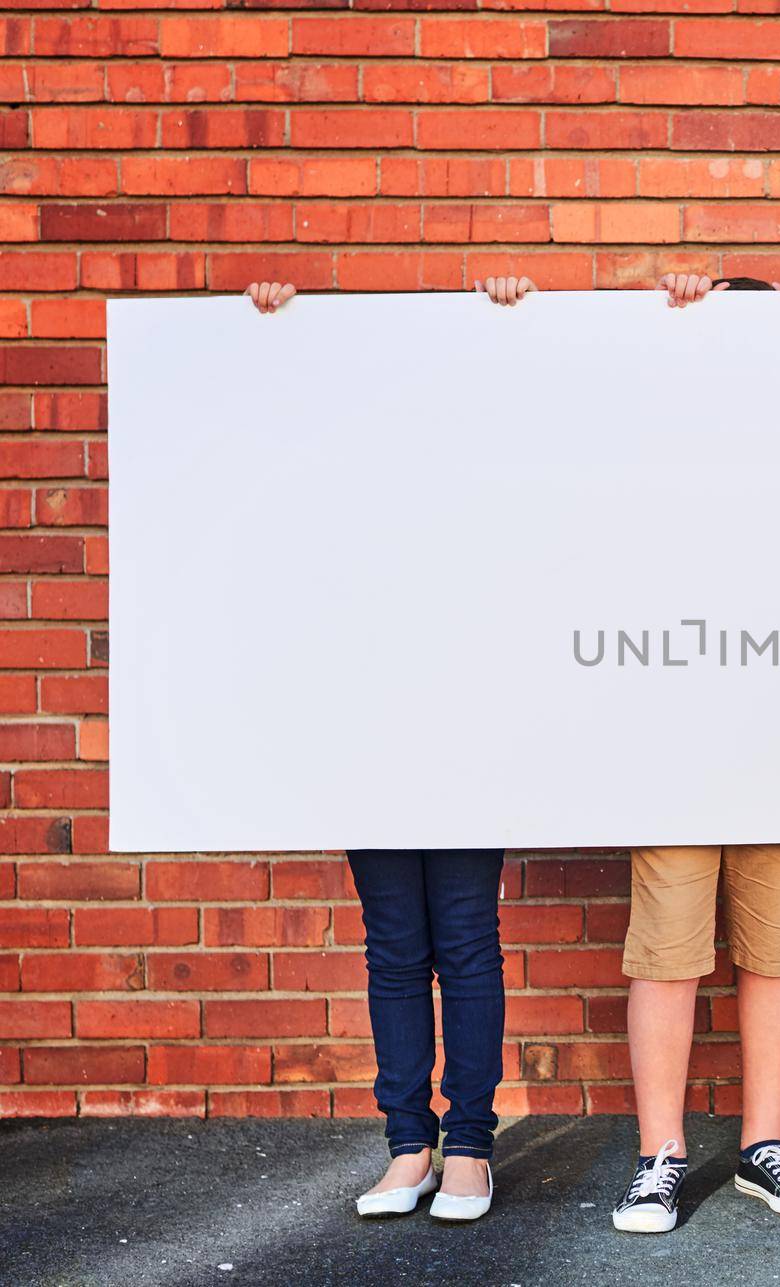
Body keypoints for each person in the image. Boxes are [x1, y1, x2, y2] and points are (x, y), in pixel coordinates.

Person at [472, 269, 780, 1234]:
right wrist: (527, 313)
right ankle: (661, 1153)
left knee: (774, 950)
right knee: (668, 953)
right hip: (674, 738)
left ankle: (765, 1141)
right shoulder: (655, 427)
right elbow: (573, 414)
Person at [245, 280, 507, 1224]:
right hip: (367, 726)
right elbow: (276, 433)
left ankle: (469, 1146)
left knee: (468, 945)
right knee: (397, 947)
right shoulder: (337, 472)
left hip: (470, 728)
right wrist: (277, 327)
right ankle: (410, 1144)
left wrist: (505, 317)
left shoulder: (483, 471)